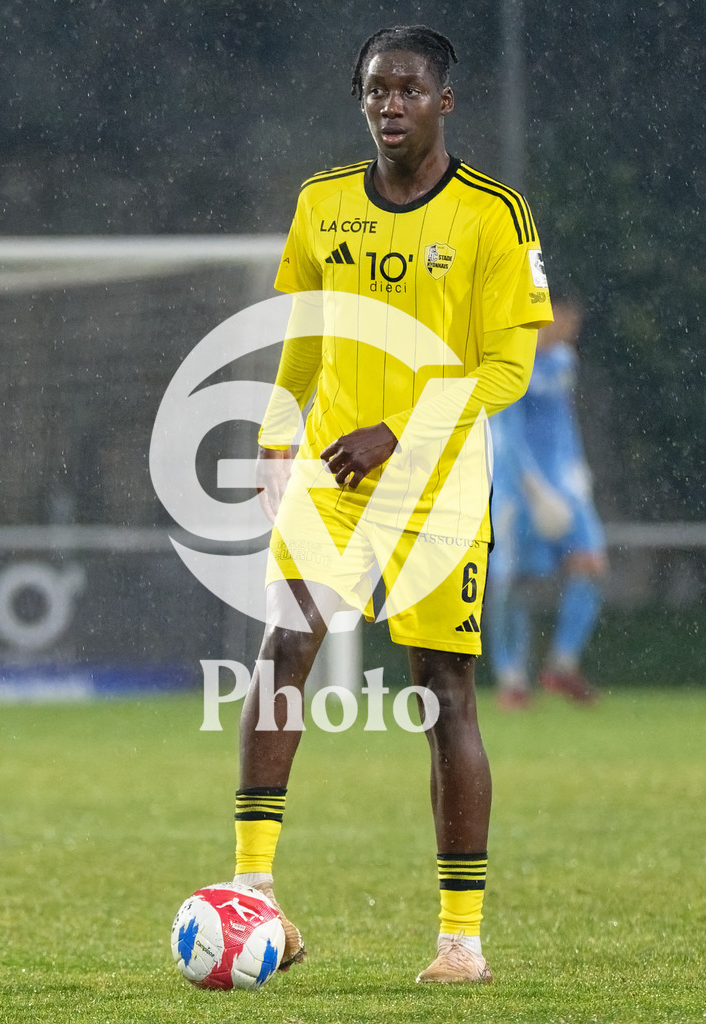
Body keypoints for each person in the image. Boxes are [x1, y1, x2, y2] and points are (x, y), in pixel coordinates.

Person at [232, 24, 552, 984]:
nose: (391, 104)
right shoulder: (322, 203)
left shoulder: (496, 216)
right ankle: (253, 891)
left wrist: (399, 434)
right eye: (377, 89)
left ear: (443, 103)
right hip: (331, 477)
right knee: (284, 645)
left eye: (409, 89)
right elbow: (308, 334)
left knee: (442, 696)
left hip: (440, 484)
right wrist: (277, 435)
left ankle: (461, 939)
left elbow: (509, 369)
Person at [487, 297, 607, 709]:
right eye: (565, 317)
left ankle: (561, 665)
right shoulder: (509, 359)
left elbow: (562, 422)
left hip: (565, 484)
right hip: (518, 489)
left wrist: (577, 473)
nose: (569, 328)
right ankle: (512, 679)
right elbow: (505, 431)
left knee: (590, 566)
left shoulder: (562, 361)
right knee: (511, 584)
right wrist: (533, 490)